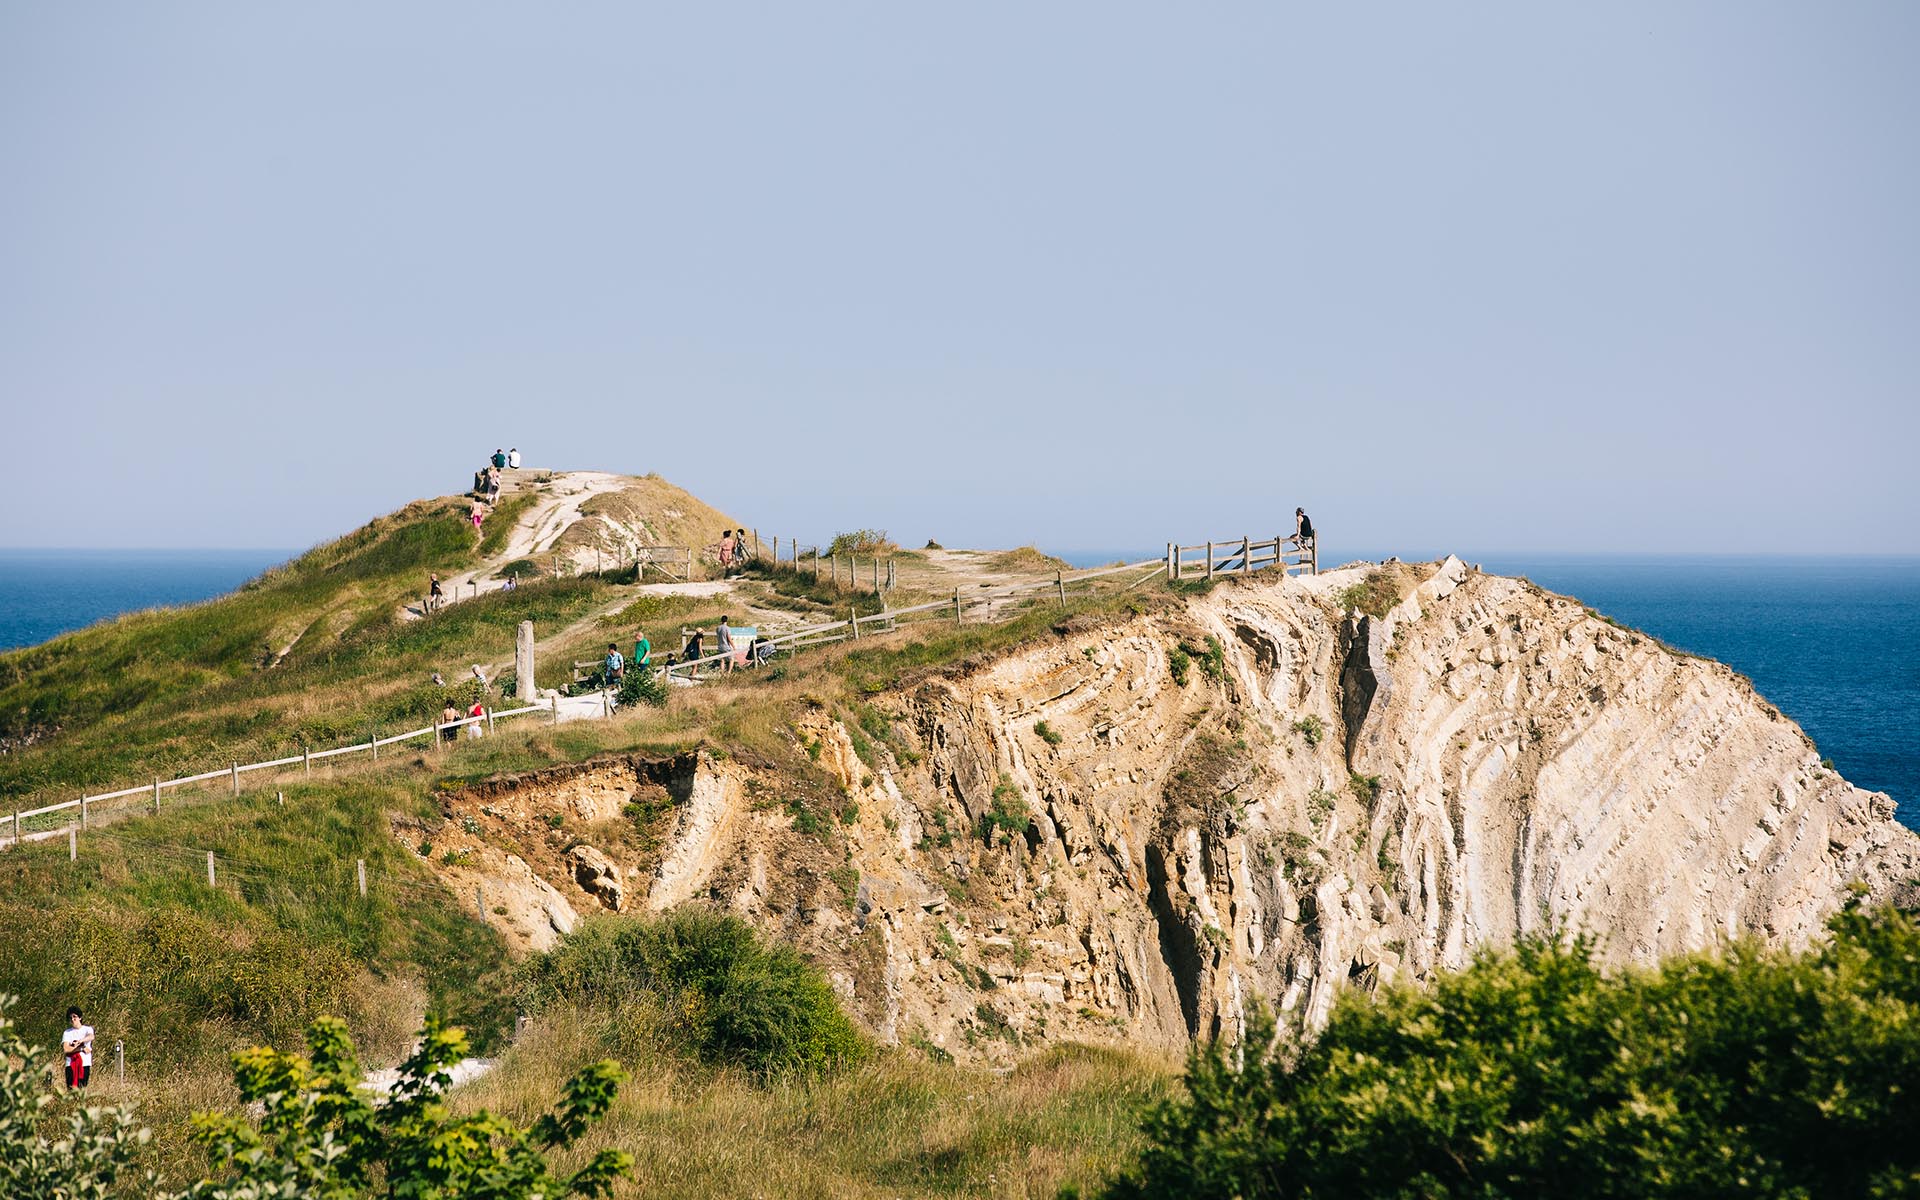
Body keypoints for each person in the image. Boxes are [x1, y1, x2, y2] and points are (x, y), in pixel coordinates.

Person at [62, 1008, 93, 1091]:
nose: (73, 1019)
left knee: (82, 1088)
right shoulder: (67, 1032)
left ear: (80, 1018)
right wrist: (81, 1048)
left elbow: (91, 1036)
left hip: (84, 1063)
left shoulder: (87, 1029)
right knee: (71, 1089)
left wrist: (81, 1041)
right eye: (71, 1017)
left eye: (74, 1017)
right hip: (71, 1064)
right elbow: (66, 1049)